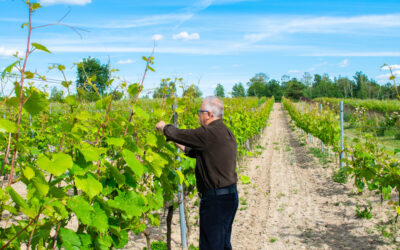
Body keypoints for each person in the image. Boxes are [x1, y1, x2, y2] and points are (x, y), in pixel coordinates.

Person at [156, 96, 239, 250]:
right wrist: (175, 141)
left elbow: (181, 133)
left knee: (211, 247)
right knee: (223, 244)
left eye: (199, 112)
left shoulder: (208, 133)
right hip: (228, 197)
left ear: (208, 114)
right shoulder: (224, 132)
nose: (198, 116)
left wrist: (164, 127)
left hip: (216, 201)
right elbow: (192, 150)